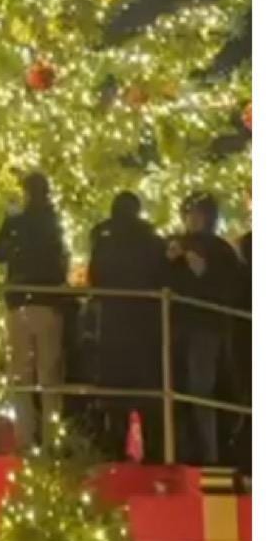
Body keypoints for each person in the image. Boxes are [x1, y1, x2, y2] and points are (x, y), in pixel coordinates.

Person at [166, 194, 247, 466]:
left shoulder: (220, 251)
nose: (191, 219)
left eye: (195, 214)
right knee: (181, 389)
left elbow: (227, 288)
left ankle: (207, 452)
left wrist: (200, 270)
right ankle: (185, 449)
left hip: (204, 328)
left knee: (200, 390)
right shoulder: (179, 246)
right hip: (181, 327)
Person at [0, 171, 68, 450]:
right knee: (49, 375)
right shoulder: (53, 223)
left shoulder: (17, 223)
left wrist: (9, 223)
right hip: (48, 302)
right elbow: (61, 262)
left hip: (19, 300)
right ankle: (51, 440)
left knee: (21, 374)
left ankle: (25, 439)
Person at [86, 192, 167, 457]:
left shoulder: (104, 243)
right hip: (146, 325)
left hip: (113, 323)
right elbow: (161, 277)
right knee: (149, 395)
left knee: (115, 395)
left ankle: (115, 449)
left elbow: (95, 279)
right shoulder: (153, 243)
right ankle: (154, 452)